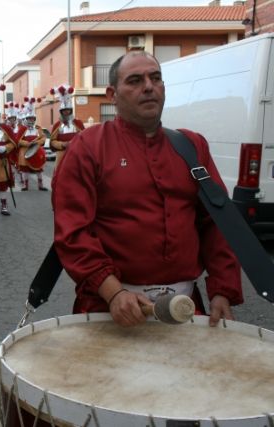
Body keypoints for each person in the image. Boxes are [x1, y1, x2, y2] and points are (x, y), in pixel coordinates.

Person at [52, 50, 243, 328]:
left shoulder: (192, 146)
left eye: (156, 78)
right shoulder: (89, 146)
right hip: (109, 307)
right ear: (112, 94)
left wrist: (222, 290)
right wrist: (113, 291)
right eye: (134, 80)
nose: (149, 87)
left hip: (184, 308)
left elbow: (216, 224)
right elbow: (73, 232)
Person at [49, 84, 85, 168]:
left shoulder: (78, 123)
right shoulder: (57, 125)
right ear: (61, 111)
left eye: (68, 110)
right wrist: (62, 144)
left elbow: (84, 138)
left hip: (76, 154)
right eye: (64, 110)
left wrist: (75, 143)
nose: (66, 112)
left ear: (71, 110)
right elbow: (52, 141)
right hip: (61, 155)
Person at [16, 97, 47, 191]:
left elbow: (43, 138)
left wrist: (37, 142)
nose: (31, 120)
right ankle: (26, 185)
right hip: (25, 152)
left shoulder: (38, 128)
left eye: (32, 119)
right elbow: (17, 140)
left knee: (39, 169)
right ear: (26, 119)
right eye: (29, 119)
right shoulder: (22, 129)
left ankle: (40, 185)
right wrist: (27, 143)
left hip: (36, 151)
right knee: (25, 170)